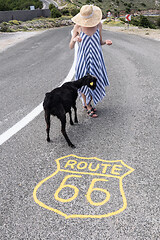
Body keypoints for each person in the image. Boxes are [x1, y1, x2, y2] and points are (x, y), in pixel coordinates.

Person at [69, 5, 112, 118]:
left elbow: (100, 42)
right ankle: (87, 105)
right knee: (84, 82)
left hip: (96, 60)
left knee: (94, 82)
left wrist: (105, 42)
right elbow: (71, 46)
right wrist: (74, 39)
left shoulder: (99, 25)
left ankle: (87, 103)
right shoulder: (78, 27)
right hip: (83, 60)